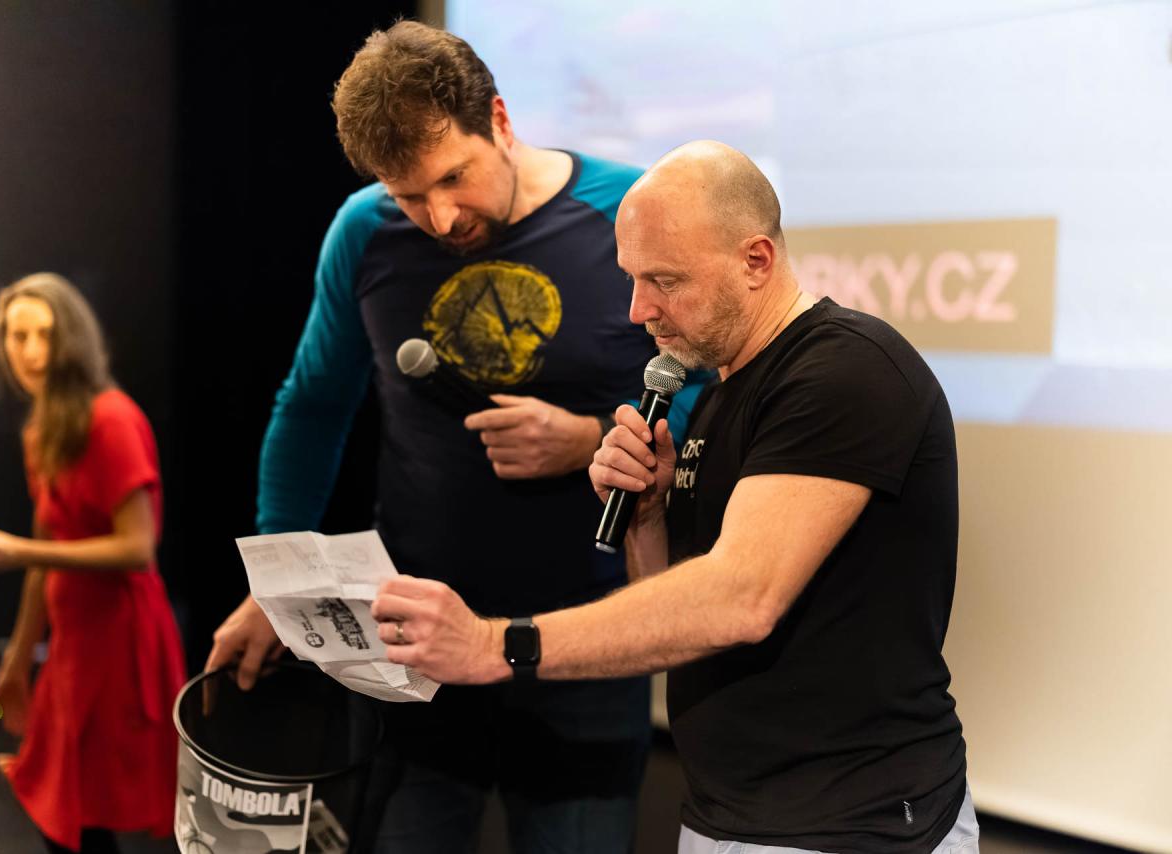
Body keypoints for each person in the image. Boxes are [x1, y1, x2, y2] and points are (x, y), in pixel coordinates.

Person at [369, 140, 978, 854]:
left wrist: (494, 645)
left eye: (663, 280)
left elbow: (741, 599)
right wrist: (648, 517)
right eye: (632, 279)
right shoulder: (717, 394)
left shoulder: (844, 371)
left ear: (757, 261)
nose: (638, 310)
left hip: (856, 822)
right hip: (728, 810)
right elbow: (682, 620)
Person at [205, 20, 701, 854]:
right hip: (413, 646)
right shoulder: (363, 232)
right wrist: (277, 585)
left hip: (583, 640)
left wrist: (588, 440)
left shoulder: (624, 213)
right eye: (407, 195)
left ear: (499, 121)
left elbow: (707, 390)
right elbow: (312, 408)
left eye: (452, 178)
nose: (438, 218)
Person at [0, 273, 186, 854]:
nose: (31, 351)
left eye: (45, 334)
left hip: (119, 641)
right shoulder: (43, 428)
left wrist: (19, 550)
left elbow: (137, 548)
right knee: (61, 809)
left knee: (80, 817)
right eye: (17, 337)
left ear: (72, 338)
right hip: (74, 644)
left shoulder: (110, 419)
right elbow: (46, 548)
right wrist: (17, 659)